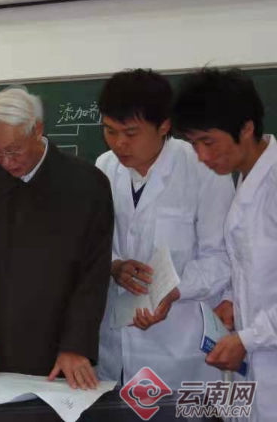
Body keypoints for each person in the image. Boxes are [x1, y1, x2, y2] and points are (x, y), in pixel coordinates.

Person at [0, 86, 114, 390]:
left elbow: (93, 275)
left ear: (37, 130)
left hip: (60, 355)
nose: (6, 162)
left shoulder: (87, 185)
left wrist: (75, 345)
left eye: (14, 150)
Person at [94, 69, 234, 389]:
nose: (119, 143)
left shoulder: (203, 167)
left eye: (131, 132)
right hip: (117, 347)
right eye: (110, 131)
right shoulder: (103, 167)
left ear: (164, 125)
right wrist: (114, 266)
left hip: (182, 343)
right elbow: (93, 244)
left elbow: (222, 258)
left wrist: (174, 290)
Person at [172, 68, 276, 421]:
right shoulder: (248, 180)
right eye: (194, 144)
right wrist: (233, 300)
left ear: (245, 128)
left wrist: (248, 339)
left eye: (209, 142)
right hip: (258, 373)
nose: (202, 156)